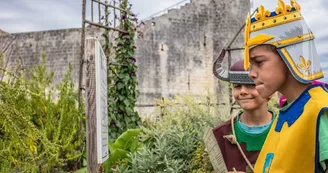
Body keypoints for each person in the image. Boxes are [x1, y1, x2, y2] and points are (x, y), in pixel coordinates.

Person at [243, 0, 328, 172]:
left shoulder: (320, 111)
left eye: (259, 62)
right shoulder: (286, 111)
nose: (251, 73)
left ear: (290, 56)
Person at [212, 58, 276, 173]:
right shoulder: (220, 134)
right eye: (237, 86)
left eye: (251, 85)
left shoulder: (286, 128)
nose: (242, 91)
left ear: (271, 91)